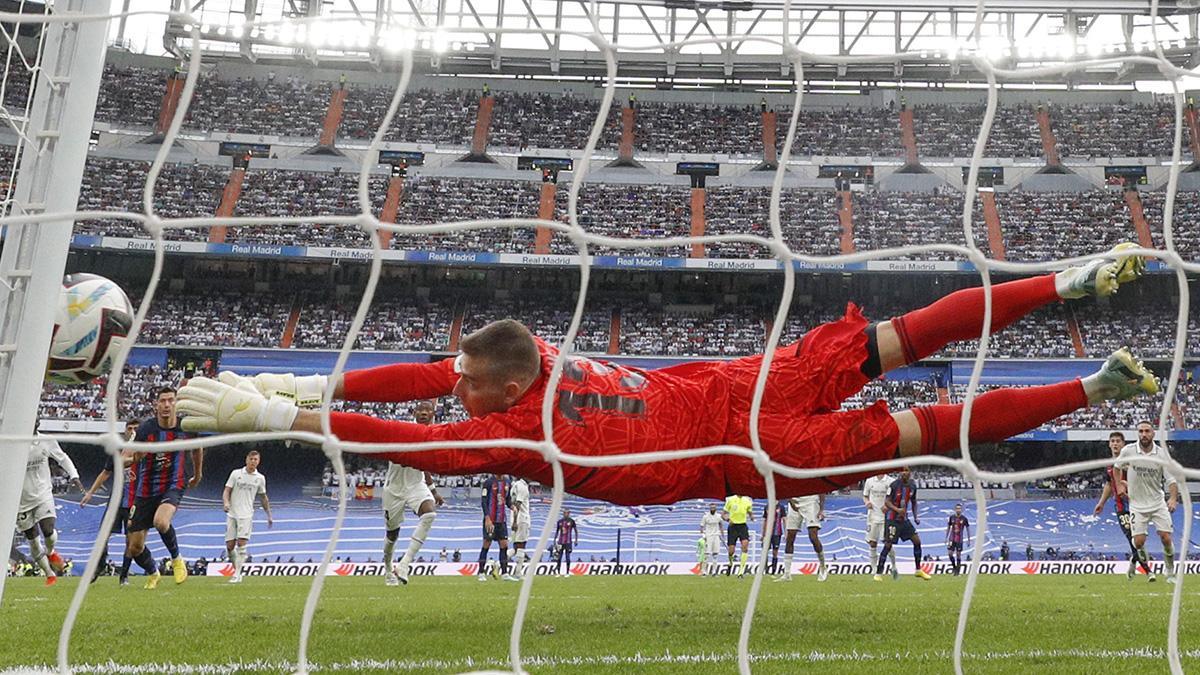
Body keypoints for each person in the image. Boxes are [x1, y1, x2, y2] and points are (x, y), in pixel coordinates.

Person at [179, 249, 1157, 506]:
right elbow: (416, 386)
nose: (453, 387)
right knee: (900, 339)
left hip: (749, 451)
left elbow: (412, 439)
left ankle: (1091, 388)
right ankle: (1058, 288)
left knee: (932, 429)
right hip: (746, 381)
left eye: (465, 382)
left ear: (497, 384)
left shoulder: (521, 434)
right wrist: (326, 389)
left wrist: (291, 415)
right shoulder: (538, 360)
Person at [127, 387, 201, 589]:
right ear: (156, 405)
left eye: (170, 400)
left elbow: (198, 447)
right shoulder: (145, 430)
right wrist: (135, 457)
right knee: (134, 547)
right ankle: (153, 572)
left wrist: (198, 473)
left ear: (176, 403)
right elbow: (126, 456)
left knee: (161, 522)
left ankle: (177, 560)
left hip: (174, 483)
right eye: (163, 401)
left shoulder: (187, 426)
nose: (167, 405)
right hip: (146, 489)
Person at [81, 420, 151, 585]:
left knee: (130, 541)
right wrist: (90, 492)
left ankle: (123, 576)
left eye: (136, 428)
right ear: (125, 431)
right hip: (115, 501)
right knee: (103, 535)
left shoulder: (145, 450)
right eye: (130, 428)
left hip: (135, 503)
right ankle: (100, 565)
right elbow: (106, 473)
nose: (133, 431)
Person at [382, 401, 443, 586]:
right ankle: (387, 569)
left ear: (433, 414)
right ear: (414, 413)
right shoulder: (404, 430)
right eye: (420, 410)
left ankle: (405, 564)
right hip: (394, 488)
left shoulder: (433, 436)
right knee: (392, 535)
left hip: (416, 485)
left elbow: (424, 466)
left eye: (428, 410)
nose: (424, 413)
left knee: (430, 513)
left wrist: (433, 491)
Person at [18, 422, 82, 586]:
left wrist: (74, 475)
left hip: (42, 494)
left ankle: (51, 552)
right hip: (21, 500)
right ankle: (49, 574)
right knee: (32, 540)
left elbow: (62, 457)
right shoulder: (13, 443)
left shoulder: (46, 440)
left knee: (48, 529)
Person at [1116, 422, 1179, 583]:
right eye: (1141, 431)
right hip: (1137, 504)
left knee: (1165, 537)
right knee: (1138, 543)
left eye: (1147, 431)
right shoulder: (1128, 451)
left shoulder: (1161, 454)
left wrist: (1172, 498)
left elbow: (1171, 479)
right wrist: (1119, 486)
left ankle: (1170, 573)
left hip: (1158, 503)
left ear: (1153, 434)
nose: (1144, 434)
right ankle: (1134, 559)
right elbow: (1117, 467)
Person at [1094, 431, 1151, 578]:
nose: (1115, 444)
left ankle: (1133, 562)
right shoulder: (1109, 466)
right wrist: (1101, 503)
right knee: (1131, 537)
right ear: (1109, 444)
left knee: (1139, 538)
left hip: (1137, 505)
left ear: (1123, 444)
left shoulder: (1131, 461)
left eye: (1118, 441)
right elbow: (1108, 484)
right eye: (1112, 441)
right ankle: (1149, 572)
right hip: (1121, 507)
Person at [223, 449, 272, 584]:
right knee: (229, 546)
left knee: (241, 544)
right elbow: (227, 490)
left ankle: (237, 575)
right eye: (251, 459)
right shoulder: (236, 473)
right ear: (246, 460)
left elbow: (263, 497)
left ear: (258, 461)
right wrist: (226, 502)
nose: (253, 462)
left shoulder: (260, 478)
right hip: (232, 513)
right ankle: (236, 571)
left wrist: (269, 514)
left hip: (246, 514)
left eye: (256, 459)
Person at [874, 467, 931, 582]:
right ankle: (878, 573)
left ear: (910, 473)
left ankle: (918, 570)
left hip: (904, 520)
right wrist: (897, 509)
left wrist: (916, 517)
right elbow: (887, 502)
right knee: (888, 545)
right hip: (892, 520)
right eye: (902, 470)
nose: (904, 473)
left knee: (917, 541)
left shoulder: (913, 486)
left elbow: (914, 502)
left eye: (906, 470)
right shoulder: (894, 485)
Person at [776, 494, 827, 582]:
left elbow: (822, 489)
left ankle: (823, 567)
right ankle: (787, 574)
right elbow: (787, 485)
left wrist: (821, 509)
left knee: (813, 537)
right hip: (795, 501)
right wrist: (790, 500)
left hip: (811, 502)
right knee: (790, 537)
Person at [862, 472, 896, 578]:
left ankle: (894, 566)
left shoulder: (891, 481)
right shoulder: (869, 480)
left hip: (886, 518)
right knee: (872, 543)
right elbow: (865, 495)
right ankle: (874, 569)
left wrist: (889, 506)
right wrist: (867, 502)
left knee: (887, 542)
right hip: (872, 516)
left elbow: (895, 498)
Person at [478, 474, 510, 581]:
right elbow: (483, 501)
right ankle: (481, 573)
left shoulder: (507, 482)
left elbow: (508, 499)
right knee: (487, 544)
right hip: (490, 520)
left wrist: (513, 506)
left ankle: (505, 573)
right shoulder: (488, 482)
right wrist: (487, 517)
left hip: (502, 520)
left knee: (504, 545)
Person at [507, 475, 531, 580]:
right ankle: (518, 573)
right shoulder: (522, 487)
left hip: (515, 518)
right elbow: (517, 505)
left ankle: (499, 563)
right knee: (521, 545)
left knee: (517, 546)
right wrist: (516, 522)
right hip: (522, 519)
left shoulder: (515, 485)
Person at [724, 494, 753, 578]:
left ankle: (741, 572)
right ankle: (730, 563)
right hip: (733, 527)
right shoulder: (730, 500)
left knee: (745, 546)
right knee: (731, 550)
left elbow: (750, 512)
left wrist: (751, 516)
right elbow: (723, 514)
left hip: (743, 526)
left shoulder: (747, 501)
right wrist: (727, 519)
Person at [762, 499, 787, 575]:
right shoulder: (767, 507)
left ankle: (773, 570)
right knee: (765, 551)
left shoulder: (781, 507)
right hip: (767, 533)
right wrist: (763, 534)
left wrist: (786, 533)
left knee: (775, 552)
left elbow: (784, 520)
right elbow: (765, 520)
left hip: (777, 533)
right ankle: (765, 570)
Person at [945, 504, 970, 576]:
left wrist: (968, 540)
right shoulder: (952, 517)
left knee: (958, 555)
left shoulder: (964, 519)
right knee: (950, 554)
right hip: (951, 539)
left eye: (959, 508)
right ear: (955, 509)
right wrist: (946, 538)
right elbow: (948, 527)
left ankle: (957, 572)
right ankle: (954, 568)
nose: (958, 510)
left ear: (961, 510)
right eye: (957, 508)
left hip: (959, 540)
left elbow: (968, 529)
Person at [700, 504, 724, 576]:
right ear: (710, 509)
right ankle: (704, 571)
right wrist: (703, 535)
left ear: (716, 509)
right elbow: (701, 526)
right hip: (708, 536)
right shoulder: (705, 516)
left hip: (716, 536)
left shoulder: (718, 516)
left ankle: (714, 571)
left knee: (715, 554)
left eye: (714, 508)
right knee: (706, 554)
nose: (713, 509)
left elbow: (721, 524)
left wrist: (722, 534)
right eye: (711, 508)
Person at [553, 509, 579, 577]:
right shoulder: (559, 522)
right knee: (559, 557)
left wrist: (576, 540)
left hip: (568, 542)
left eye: (567, 513)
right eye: (564, 513)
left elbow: (576, 531)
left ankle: (567, 573)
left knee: (567, 557)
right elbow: (557, 531)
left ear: (569, 513)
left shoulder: (571, 521)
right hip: (560, 542)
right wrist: (554, 540)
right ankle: (558, 572)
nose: (565, 514)